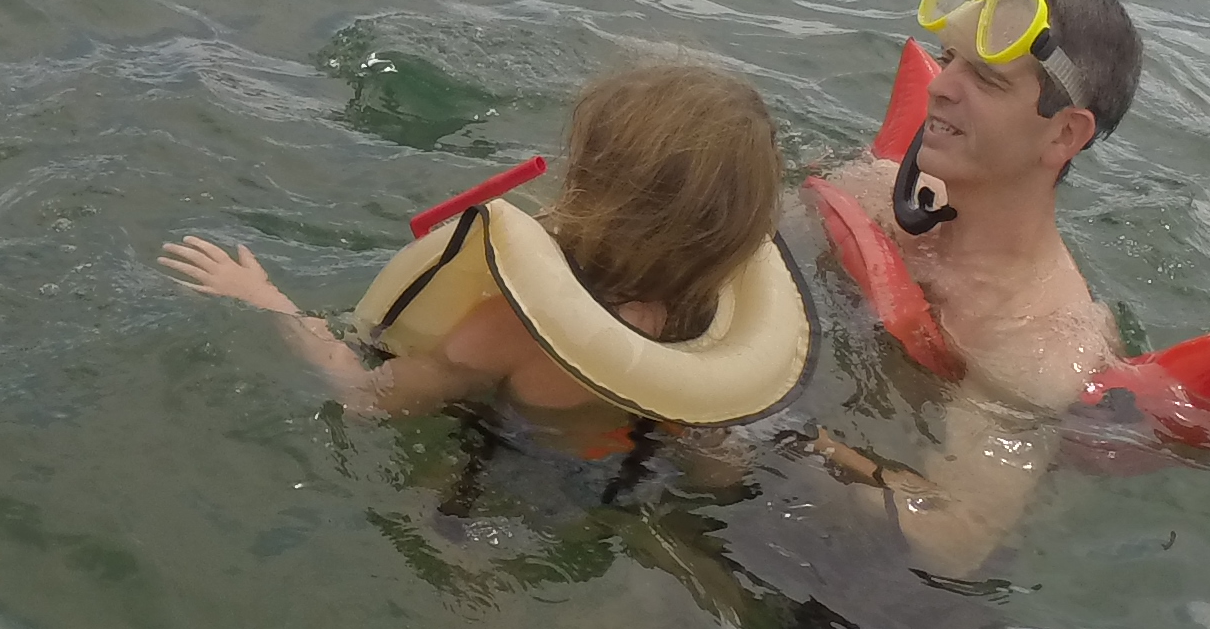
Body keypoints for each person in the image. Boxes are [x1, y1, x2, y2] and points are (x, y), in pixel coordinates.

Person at [161, 59, 813, 451]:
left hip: (515, 478)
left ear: (594, 191)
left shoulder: (516, 327)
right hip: (628, 467)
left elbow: (366, 398)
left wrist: (262, 297)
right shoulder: (702, 315)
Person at [802, 0, 1144, 577]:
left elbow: (953, 536)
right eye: (951, 59)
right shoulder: (876, 192)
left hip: (876, 612)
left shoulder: (1039, 347)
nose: (939, 85)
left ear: (1065, 135)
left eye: (985, 80)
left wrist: (787, 437)